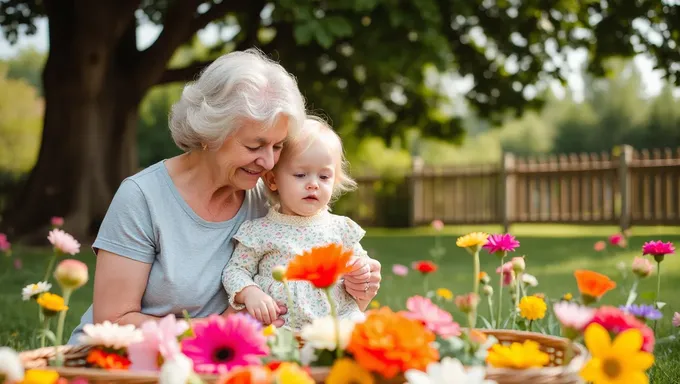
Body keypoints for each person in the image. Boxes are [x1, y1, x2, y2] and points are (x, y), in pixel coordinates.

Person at [67, 49, 382, 344]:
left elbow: (316, 291)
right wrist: (220, 329)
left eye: (277, 146)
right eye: (254, 146)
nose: (269, 163)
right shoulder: (142, 197)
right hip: (128, 360)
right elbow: (112, 321)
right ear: (210, 133)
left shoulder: (269, 197)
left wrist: (358, 287)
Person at [222, 116, 369, 329]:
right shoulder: (260, 230)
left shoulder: (340, 228)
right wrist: (251, 294)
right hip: (282, 326)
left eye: (324, 177)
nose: (313, 185)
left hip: (335, 324)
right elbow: (235, 270)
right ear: (273, 180)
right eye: (301, 175)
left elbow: (360, 263)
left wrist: (360, 269)